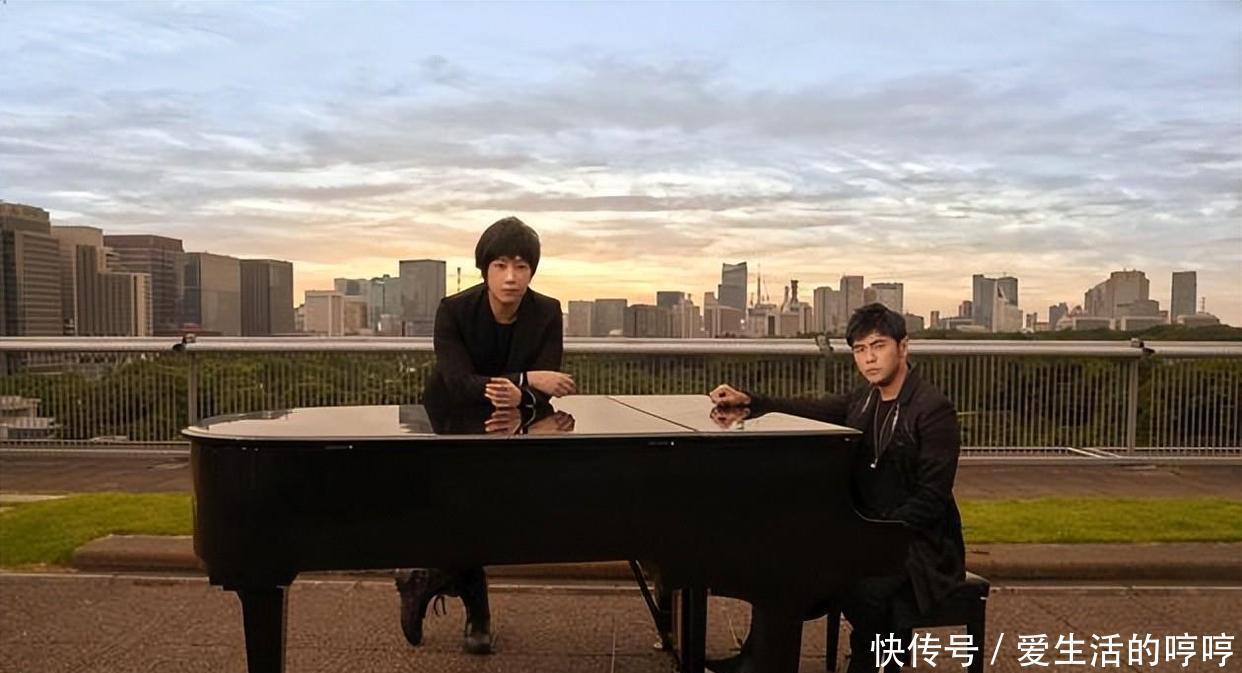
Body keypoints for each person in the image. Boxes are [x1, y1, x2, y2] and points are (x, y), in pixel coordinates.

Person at [708, 303, 964, 673]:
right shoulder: (864, 399)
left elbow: (932, 498)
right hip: (868, 531)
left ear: (903, 347)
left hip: (918, 545)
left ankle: (870, 662)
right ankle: (757, 661)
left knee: (861, 587)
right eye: (860, 349)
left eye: (878, 346)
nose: (869, 358)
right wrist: (752, 401)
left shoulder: (933, 410)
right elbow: (810, 408)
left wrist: (869, 538)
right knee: (781, 565)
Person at [395, 216, 575, 655]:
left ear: (532, 271)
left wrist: (524, 392)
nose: (511, 277)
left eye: (521, 266)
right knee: (468, 504)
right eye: (500, 265)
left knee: (489, 512)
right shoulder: (454, 309)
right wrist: (524, 379)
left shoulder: (547, 311)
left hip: (512, 425)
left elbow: (549, 386)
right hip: (450, 423)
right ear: (484, 269)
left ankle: (429, 577)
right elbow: (459, 383)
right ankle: (477, 614)